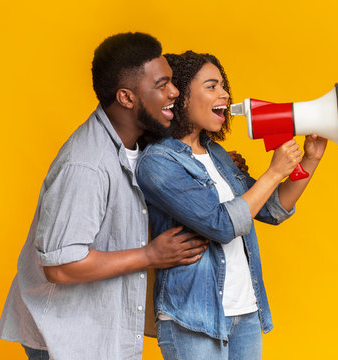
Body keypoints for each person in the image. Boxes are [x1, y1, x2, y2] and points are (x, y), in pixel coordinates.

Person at [0, 33, 211, 360]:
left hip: (97, 328)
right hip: (65, 337)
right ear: (126, 97)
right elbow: (62, 266)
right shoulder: (86, 166)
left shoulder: (139, 141)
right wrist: (150, 256)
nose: (174, 92)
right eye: (162, 84)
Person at [135, 51, 327, 360]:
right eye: (212, 86)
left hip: (246, 311)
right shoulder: (157, 162)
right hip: (193, 317)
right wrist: (274, 171)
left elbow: (272, 209)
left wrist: (311, 159)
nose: (224, 94)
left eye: (223, 86)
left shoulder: (219, 155)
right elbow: (222, 225)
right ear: (181, 96)